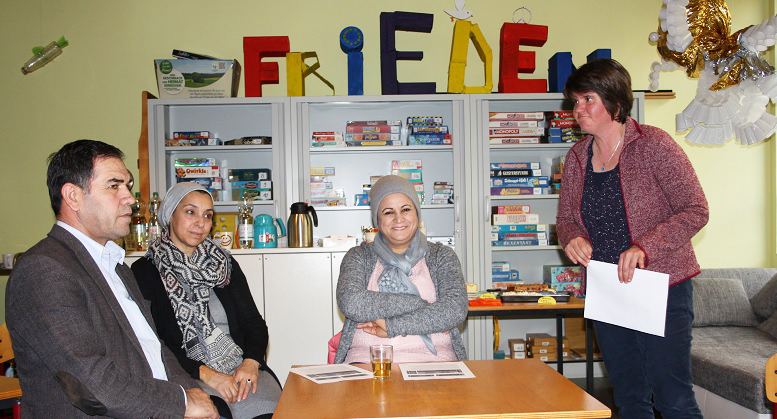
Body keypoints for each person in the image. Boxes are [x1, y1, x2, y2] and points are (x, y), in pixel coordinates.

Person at [6, 140, 218, 418]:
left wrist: (193, 393)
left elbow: (155, 347)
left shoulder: (117, 266)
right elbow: (90, 383)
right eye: (114, 185)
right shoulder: (44, 270)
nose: (130, 198)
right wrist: (182, 402)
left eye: (128, 185)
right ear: (73, 196)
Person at [556, 59, 709, 418]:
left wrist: (645, 247)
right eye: (575, 101)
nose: (578, 109)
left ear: (615, 102)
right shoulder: (577, 157)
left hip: (662, 287)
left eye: (588, 99)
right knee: (629, 398)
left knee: (673, 398)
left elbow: (695, 209)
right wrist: (572, 237)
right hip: (608, 290)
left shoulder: (654, 144)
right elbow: (565, 220)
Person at [132, 182, 281, 419]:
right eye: (190, 212)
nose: (200, 222)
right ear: (170, 215)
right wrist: (206, 374)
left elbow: (253, 323)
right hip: (185, 375)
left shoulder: (224, 264)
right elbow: (154, 342)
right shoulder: (145, 271)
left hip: (240, 370)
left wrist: (251, 362)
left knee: (268, 412)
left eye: (207, 215)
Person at [334, 175, 468, 364]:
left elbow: (454, 309)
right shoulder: (358, 256)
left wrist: (392, 326)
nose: (398, 218)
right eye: (388, 212)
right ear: (377, 220)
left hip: (436, 362)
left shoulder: (441, 255)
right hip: (368, 362)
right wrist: (425, 306)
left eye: (406, 209)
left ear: (417, 214)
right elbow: (352, 303)